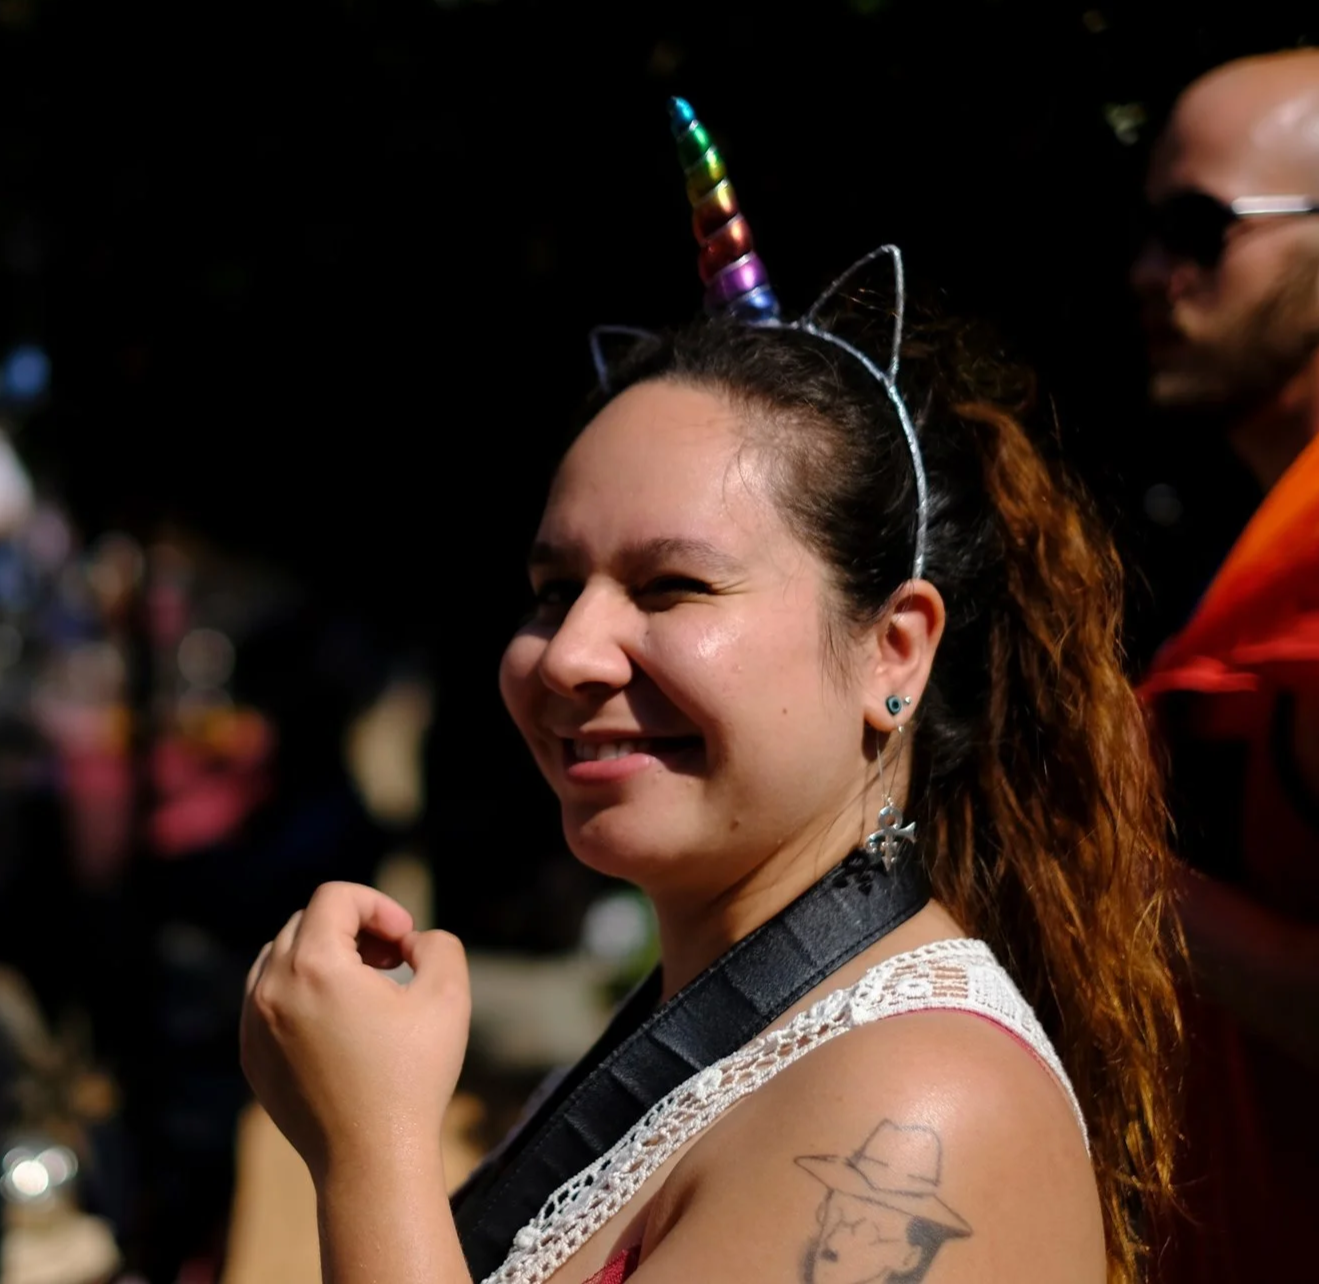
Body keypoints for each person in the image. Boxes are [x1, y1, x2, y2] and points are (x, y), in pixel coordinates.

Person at [241, 100, 1179, 1284]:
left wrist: (367, 1146)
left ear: (894, 650)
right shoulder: (720, 1035)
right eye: (549, 588)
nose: (568, 653)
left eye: (672, 585)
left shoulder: (922, 1104)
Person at [1127, 48, 1319, 1284]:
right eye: (1147, 229)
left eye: (1201, 228)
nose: (1152, 274)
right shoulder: (1268, 540)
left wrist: (1099, 855)